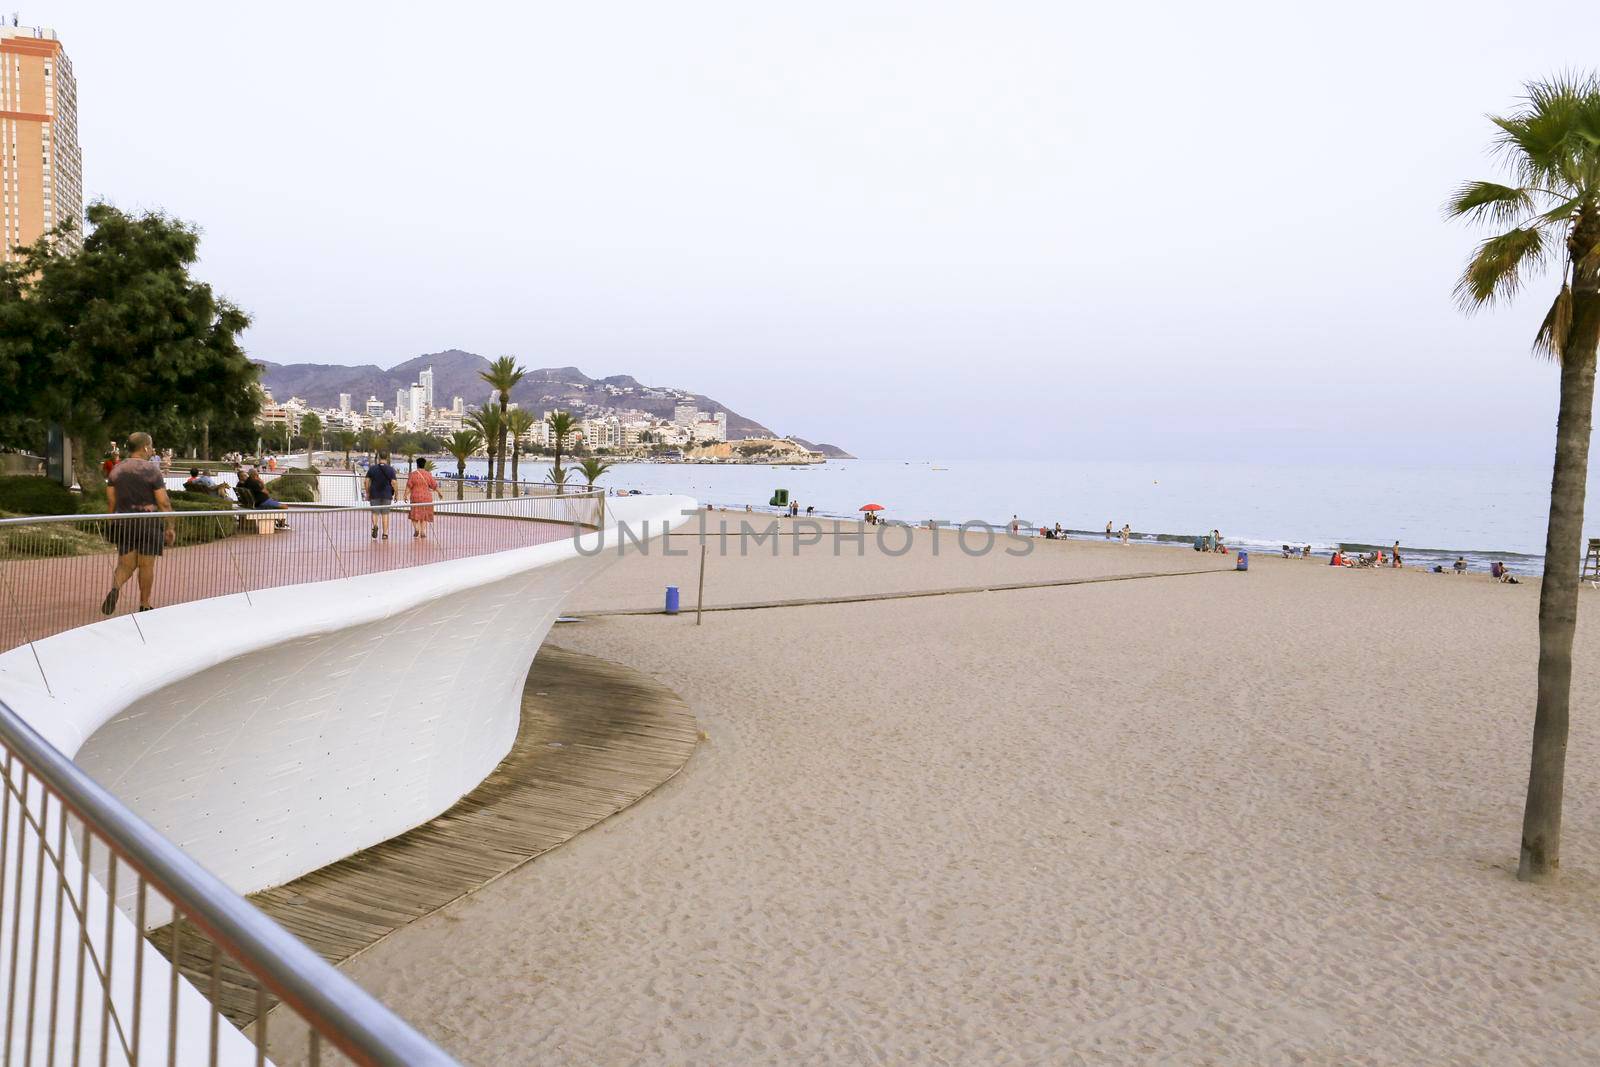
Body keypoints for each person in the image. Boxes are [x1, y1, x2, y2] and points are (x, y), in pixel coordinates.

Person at [99, 432, 175, 615]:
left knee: (125, 565)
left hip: (124, 522)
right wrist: (170, 526)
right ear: (146, 447)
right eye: (151, 446)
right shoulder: (152, 470)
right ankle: (144, 603)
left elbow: (111, 501)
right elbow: (163, 502)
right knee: (146, 565)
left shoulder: (117, 469)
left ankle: (115, 588)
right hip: (148, 523)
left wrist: (111, 522)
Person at [365, 452, 399, 539]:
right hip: (386, 494)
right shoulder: (391, 469)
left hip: (374, 494)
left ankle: (375, 526)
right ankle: (385, 534)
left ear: (379, 457)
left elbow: (366, 481)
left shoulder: (372, 468)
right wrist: (396, 494)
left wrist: (368, 492)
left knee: (375, 513)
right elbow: (394, 483)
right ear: (387, 458)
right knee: (385, 514)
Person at [407, 457, 439, 539]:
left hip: (415, 497)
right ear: (424, 465)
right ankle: (423, 532)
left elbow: (409, 486)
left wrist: (405, 495)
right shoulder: (428, 474)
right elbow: (434, 485)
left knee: (414, 514)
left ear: (417, 465)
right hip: (426, 497)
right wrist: (440, 493)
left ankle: (416, 529)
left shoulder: (413, 474)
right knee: (424, 515)